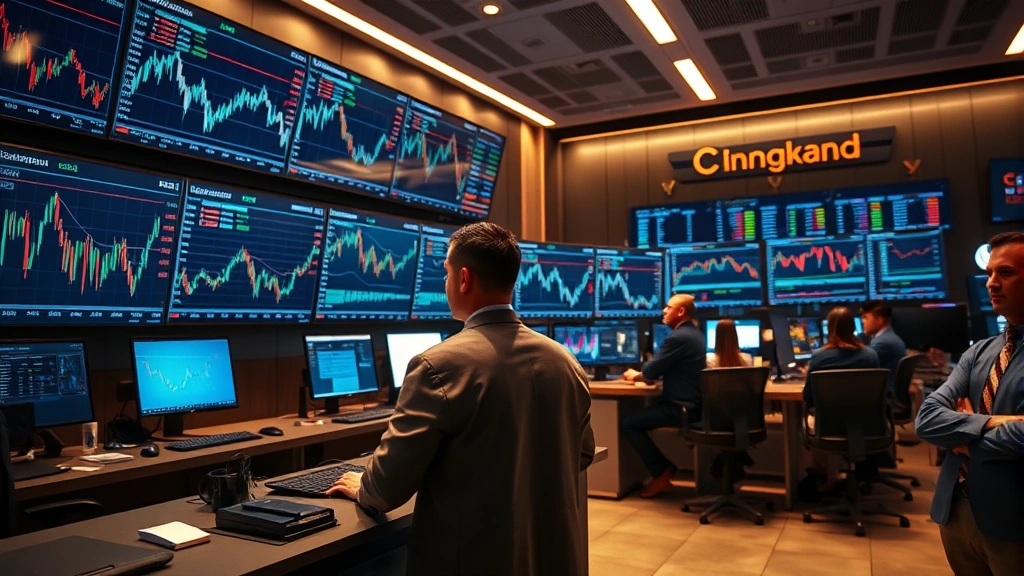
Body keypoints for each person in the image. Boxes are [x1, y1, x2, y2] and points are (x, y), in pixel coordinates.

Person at [327, 223, 596, 576]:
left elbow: (384, 491)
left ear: (464, 279)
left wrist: (364, 484)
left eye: (446, 273)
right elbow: (583, 452)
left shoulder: (436, 366)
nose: (445, 283)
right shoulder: (565, 360)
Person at [916, 232, 1024, 575]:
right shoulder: (979, 351)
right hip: (955, 509)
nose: (992, 283)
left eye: (1005, 273)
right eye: (989, 273)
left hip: (1014, 515)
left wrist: (962, 439)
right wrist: (994, 422)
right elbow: (927, 419)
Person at [620, 293, 706, 497]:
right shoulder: (693, 334)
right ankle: (664, 469)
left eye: (668, 307)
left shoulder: (678, 337)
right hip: (691, 404)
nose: (664, 311)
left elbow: (650, 371)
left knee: (628, 423)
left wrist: (635, 375)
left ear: (681, 311)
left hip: (680, 407)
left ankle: (661, 472)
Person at [804, 307, 880, 407]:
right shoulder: (871, 355)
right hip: (864, 418)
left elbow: (808, 397)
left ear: (829, 328)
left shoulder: (818, 357)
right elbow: (878, 394)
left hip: (829, 420)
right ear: (853, 327)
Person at [860, 300, 906, 394]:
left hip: (884, 397)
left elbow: (859, 367)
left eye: (865, 317)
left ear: (879, 319)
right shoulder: (888, 337)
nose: (862, 321)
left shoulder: (883, 343)